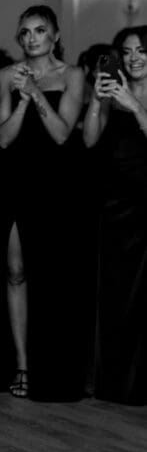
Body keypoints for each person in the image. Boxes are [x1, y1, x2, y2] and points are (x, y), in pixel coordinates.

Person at [0, 5, 85, 401]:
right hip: (16, 182)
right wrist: (20, 100)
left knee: (53, 278)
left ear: (54, 35)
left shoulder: (73, 75)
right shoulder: (5, 76)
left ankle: (54, 369)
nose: (32, 38)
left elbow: (63, 134)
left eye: (40, 31)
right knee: (15, 271)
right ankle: (22, 365)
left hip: (56, 187)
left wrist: (36, 93)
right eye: (26, 32)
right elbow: (1, 139)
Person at [82, 25, 147, 404]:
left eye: (142, 51)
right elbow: (90, 139)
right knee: (117, 293)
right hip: (117, 205)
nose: (135, 58)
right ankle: (116, 382)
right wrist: (96, 98)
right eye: (128, 51)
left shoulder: (134, 95)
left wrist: (135, 104)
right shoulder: (112, 90)